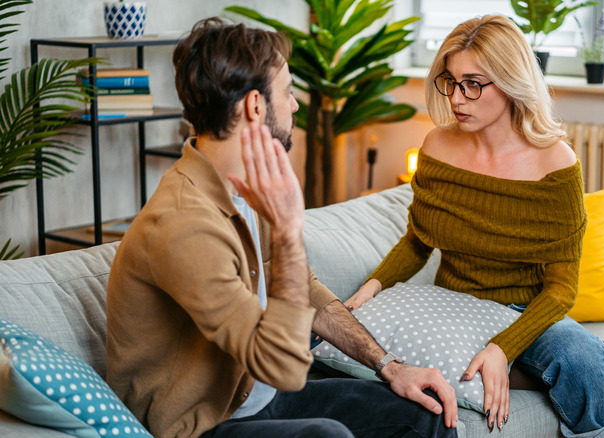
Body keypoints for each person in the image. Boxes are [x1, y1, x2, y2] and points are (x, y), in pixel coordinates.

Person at [106, 17, 457, 438]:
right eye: (288, 92)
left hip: (263, 397)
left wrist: (390, 366)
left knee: (425, 412)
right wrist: (289, 231)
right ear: (255, 106)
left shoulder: (246, 188)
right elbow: (285, 367)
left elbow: (305, 292)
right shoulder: (184, 224)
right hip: (203, 425)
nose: (294, 106)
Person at [345, 14, 604, 438]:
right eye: (451, 81)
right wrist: (373, 286)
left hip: (525, 311)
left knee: (586, 360)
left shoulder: (556, 164)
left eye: (474, 83)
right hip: (454, 304)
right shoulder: (437, 145)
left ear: (511, 82)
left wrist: (502, 348)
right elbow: (418, 242)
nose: (457, 97)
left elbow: (561, 289)